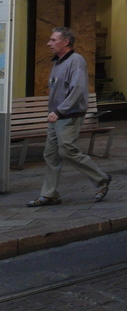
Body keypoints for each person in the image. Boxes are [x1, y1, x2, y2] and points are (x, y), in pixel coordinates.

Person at [26, 27, 112, 206]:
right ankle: (49, 194)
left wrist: (60, 111)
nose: (49, 43)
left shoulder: (76, 61)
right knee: (50, 155)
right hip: (56, 116)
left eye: (53, 40)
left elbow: (78, 89)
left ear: (65, 42)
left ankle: (101, 178)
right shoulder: (57, 62)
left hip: (68, 115)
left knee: (66, 151)